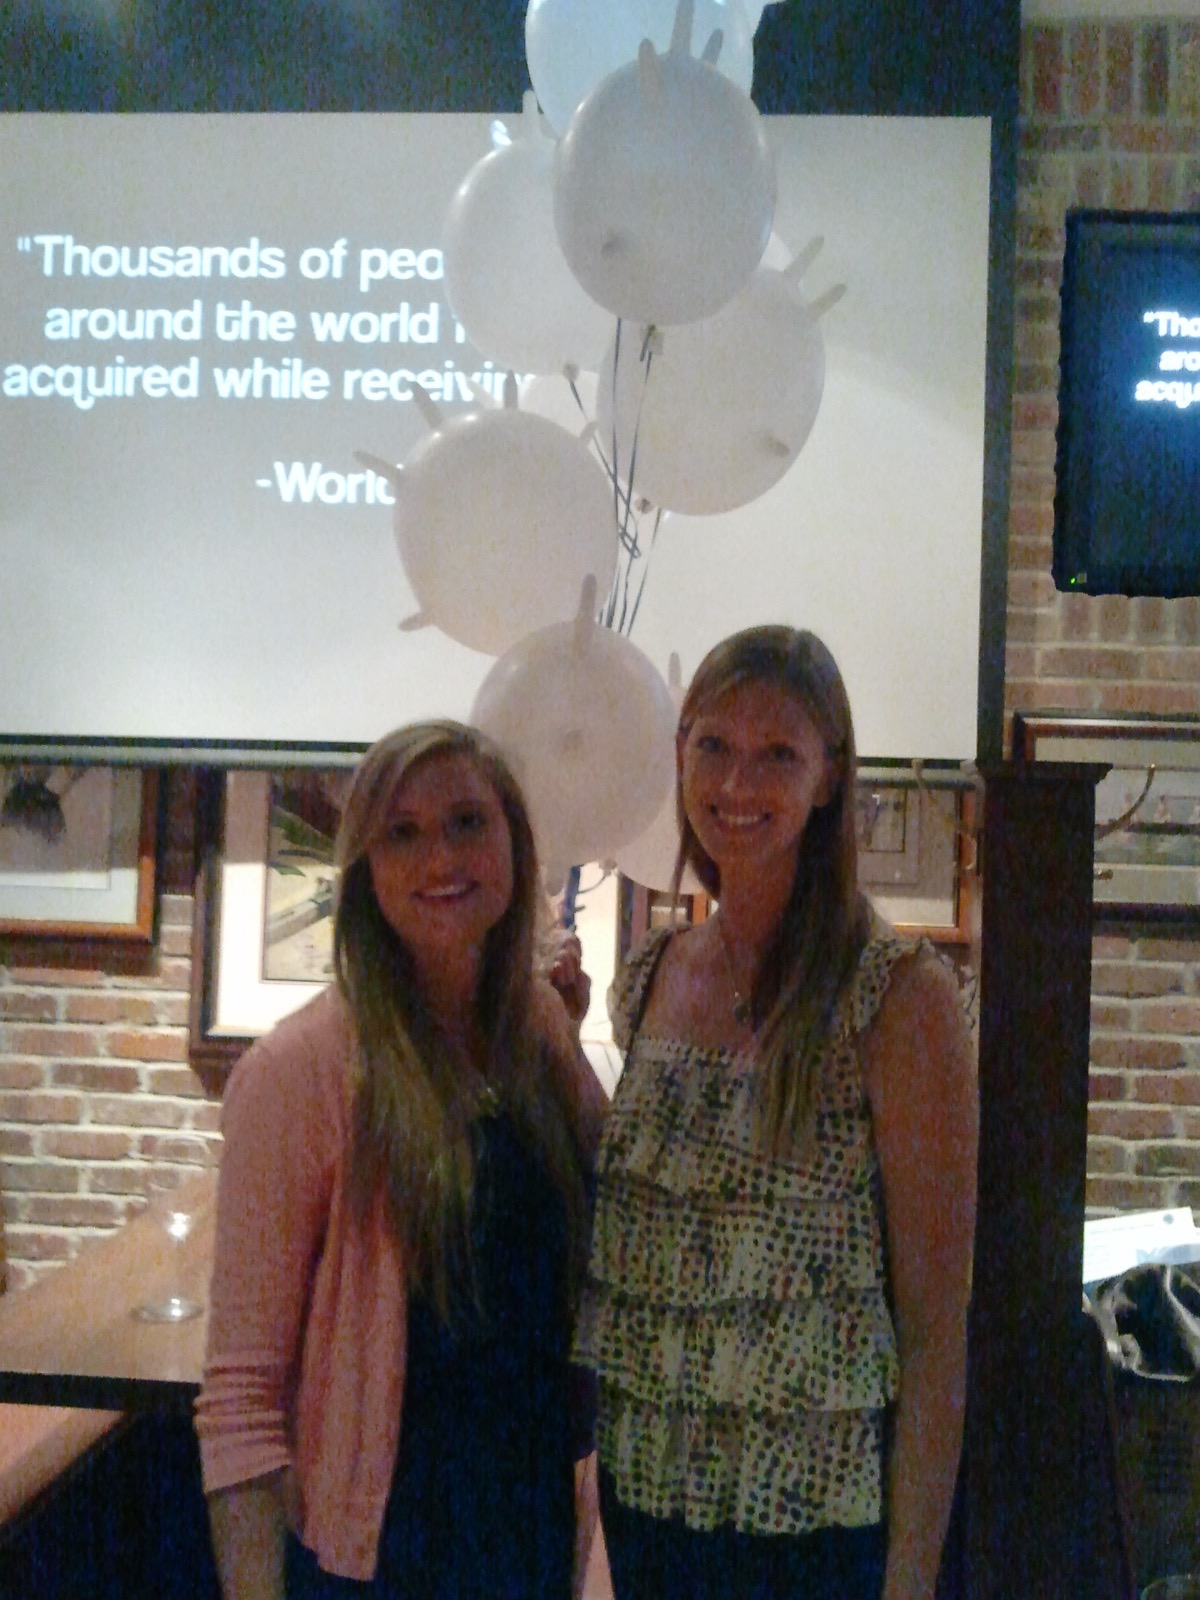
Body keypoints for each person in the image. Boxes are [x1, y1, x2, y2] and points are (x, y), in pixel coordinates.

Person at [576, 626, 978, 1600]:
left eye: (778, 754)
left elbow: (935, 1330)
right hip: (651, 1505)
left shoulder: (897, 996)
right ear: (680, 752)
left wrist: (911, 1582)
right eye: (713, 744)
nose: (737, 781)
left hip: (814, 1527)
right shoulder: (649, 979)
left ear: (828, 776)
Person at [195, 720, 608, 1600]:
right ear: (363, 869)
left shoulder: (536, 1031)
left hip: (529, 1540)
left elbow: (619, 1220)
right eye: (403, 832)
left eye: (467, 822)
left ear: (513, 843)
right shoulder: (301, 1071)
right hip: (384, 1563)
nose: (441, 858)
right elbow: (240, 1402)